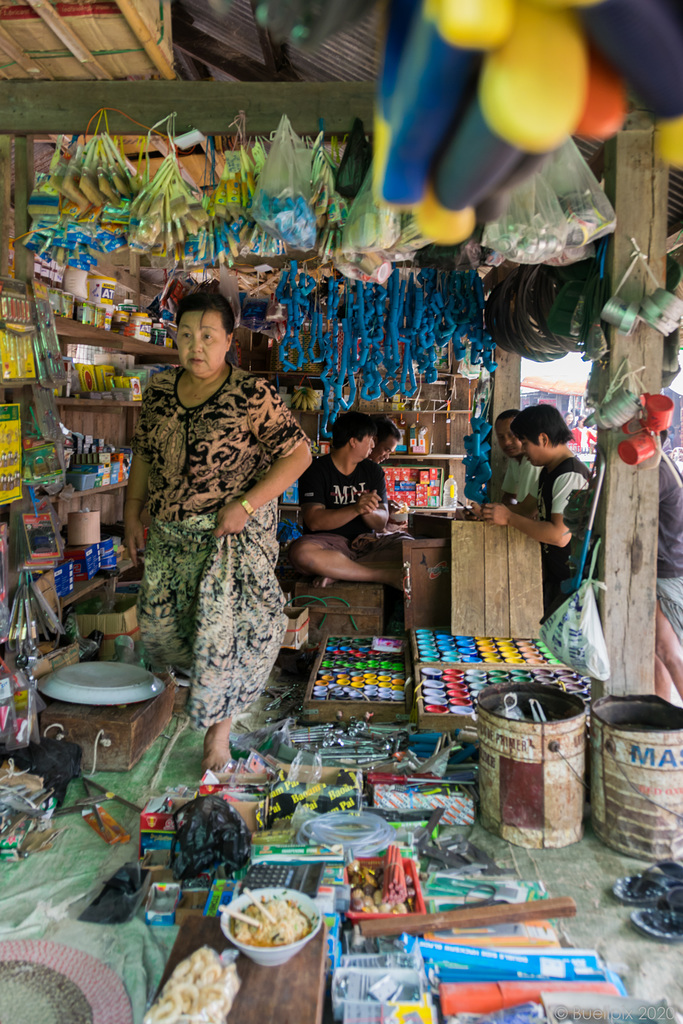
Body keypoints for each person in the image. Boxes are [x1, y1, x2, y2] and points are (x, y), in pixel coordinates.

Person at [124, 293, 311, 772]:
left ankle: (218, 735)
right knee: (162, 631)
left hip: (228, 540)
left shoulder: (253, 395)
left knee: (223, 640)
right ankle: (184, 702)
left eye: (207, 336)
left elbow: (299, 456)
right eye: (185, 335)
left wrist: (246, 505)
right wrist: (131, 512)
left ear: (229, 340)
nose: (195, 346)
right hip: (170, 535)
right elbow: (144, 452)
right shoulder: (162, 391)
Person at [482, 404, 590, 616]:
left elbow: (559, 535)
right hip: (555, 577)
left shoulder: (570, 475)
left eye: (524, 441)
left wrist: (509, 518)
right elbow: (524, 509)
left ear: (543, 439)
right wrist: (488, 514)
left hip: (573, 582)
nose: (521, 447)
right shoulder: (548, 471)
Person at [288, 411, 403, 588]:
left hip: (367, 543)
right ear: (353, 441)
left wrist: (368, 510)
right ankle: (380, 574)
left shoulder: (373, 471)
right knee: (301, 553)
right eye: (370, 438)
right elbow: (314, 521)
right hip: (329, 544)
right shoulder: (315, 470)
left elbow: (381, 522)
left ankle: (339, 571)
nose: (373, 444)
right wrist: (356, 508)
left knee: (408, 547)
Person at [655, 446, 683, 703]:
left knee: (668, 652)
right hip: (666, 566)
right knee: (658, 652)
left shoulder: (657, 469)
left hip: (667, 570)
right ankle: (661, 710)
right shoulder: (662, 464)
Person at [495, 408, 540, 516]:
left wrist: (489, 513)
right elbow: (508, 496)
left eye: (512, 435)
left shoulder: (532, 463)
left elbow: (525, 511)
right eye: (501, 437)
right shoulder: (515, 459)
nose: (506, 442)